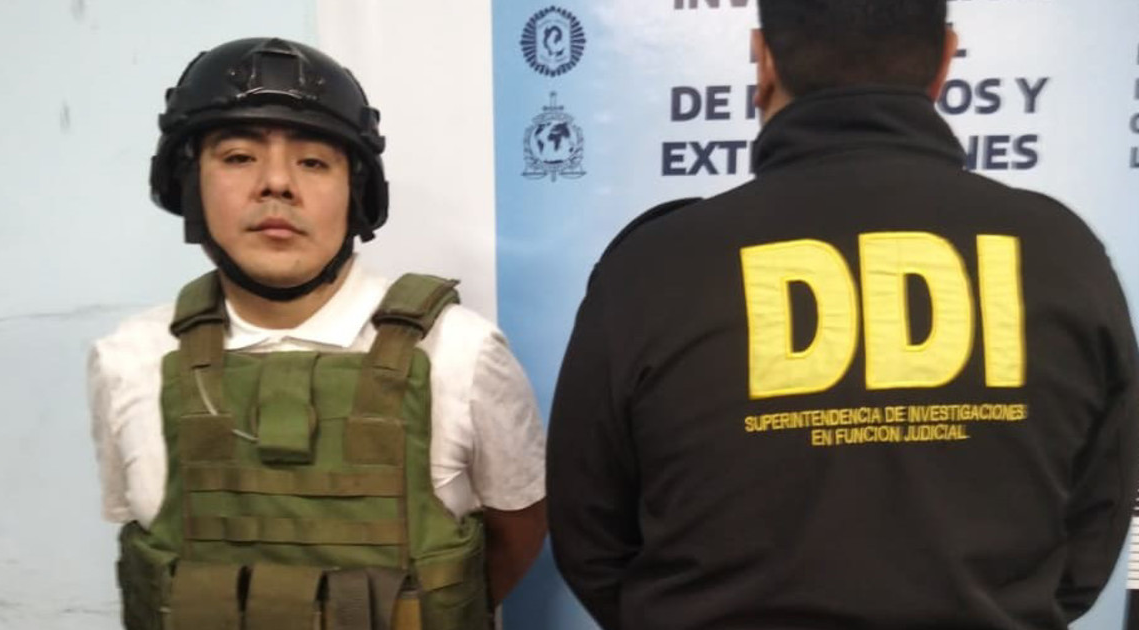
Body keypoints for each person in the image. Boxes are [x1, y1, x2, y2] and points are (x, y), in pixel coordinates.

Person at [546, 2, 1139, 629]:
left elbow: (590, 539)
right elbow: (1096, 525)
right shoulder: (1062, 253)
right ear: (946, 59)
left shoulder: (653, 266)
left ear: (763, 61)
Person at [88, 37, 546, 629]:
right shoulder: (131, 359)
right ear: (189, 183)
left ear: (355, 192)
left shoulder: (461, 353)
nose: (277, 183)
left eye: (313, 162)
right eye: (238, 157)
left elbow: (519, 531)